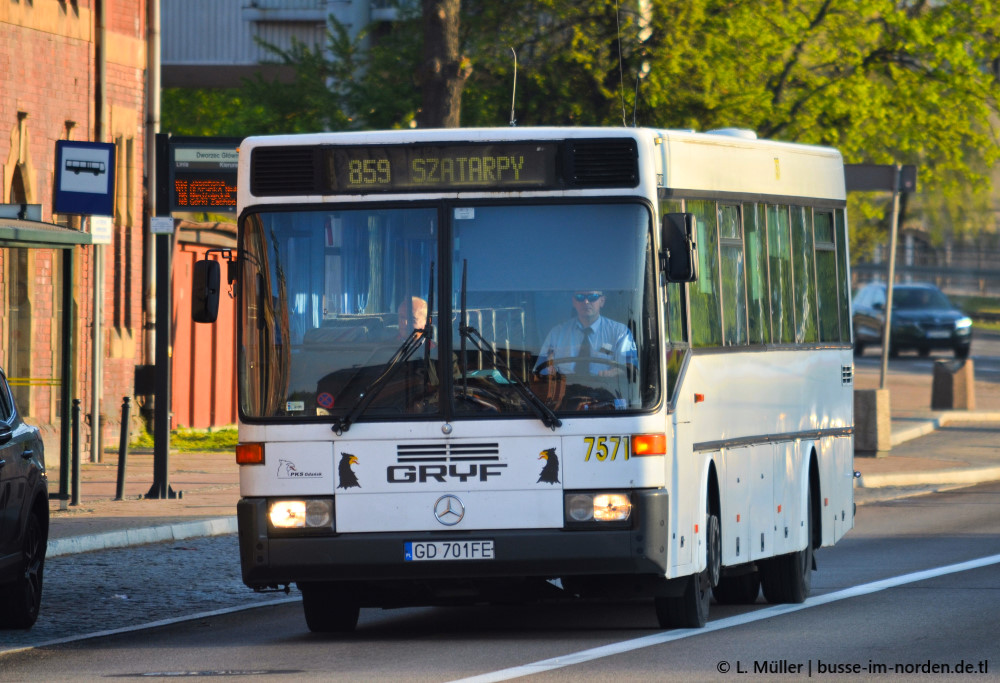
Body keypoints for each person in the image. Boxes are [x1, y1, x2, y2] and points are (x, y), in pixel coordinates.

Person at [535, 290, 636, 377]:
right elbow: (540, 368)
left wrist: (615, 373)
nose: (586, 302)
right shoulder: (556, 333)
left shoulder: (620, 332)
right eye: (580, 297)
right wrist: (549, 369)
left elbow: (631, 367)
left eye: (592, 297)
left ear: (602, 301)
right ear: (574, 302)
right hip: (564, 390)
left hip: (606, 389)